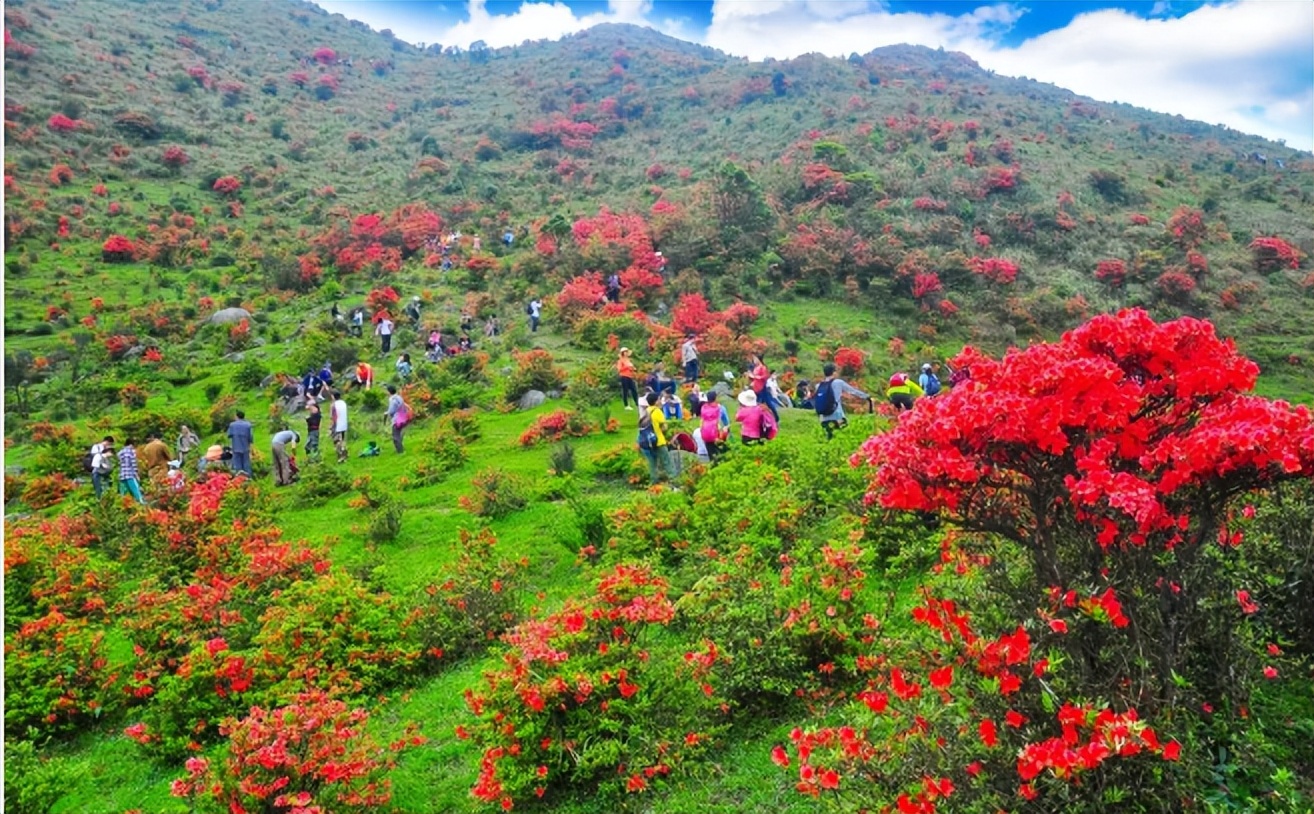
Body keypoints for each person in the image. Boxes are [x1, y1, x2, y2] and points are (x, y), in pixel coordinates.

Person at [815, 363, 874, 440]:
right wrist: (866, 396)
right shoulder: (838, 382)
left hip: (823, 418)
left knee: (829, 438)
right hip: (837, 417)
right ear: (834, 372)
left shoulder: (818, 386)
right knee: (844, 437)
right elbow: (852, 391)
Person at [636, 394, 676, 484]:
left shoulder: (646, 411)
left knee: (652, 464)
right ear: (656, 401)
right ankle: (673, 480)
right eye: (659, 399)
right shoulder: (657, 411)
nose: (660, 401)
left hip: (648, 442)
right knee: (666, 461)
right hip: (659, 441)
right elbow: (664, 427)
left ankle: (654, 482)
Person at [747, 355, 781, 423]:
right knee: (756, 403)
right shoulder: (756, 368)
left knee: (768, 403)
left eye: (755, 358)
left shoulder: (763, 367)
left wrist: (755, 377)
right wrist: (750, 376)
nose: (754, 360)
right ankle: (757, 418)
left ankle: (776, 417)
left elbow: (765, 377)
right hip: (756, 387)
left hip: (762, 388)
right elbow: (754, 378)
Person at [699, 391, 730, 461]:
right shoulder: (720, 408)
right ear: (715, 398)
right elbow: (724, 422)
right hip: (716, 433)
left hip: (705, 432)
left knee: (711, 452)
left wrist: (701, 431)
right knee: (720, 451)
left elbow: (702, 420)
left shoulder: (703, 407)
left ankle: (712, 464)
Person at [117, 438, 145, 503]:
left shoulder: (120, 452)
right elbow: (133, 464)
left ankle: (122, 505)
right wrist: (136, 474)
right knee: (136, 490)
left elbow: (120, 462)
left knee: (123, 493)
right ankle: (141, 504)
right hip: (130, 474)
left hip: (122, 475)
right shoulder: (131, 452)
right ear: (131, 444)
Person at [227, 410, 254, 476]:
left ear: (237, 416)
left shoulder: (232, 425)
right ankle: (248, 477)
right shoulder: (248, 425)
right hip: (245, 447)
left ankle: (239, 479)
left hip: (236, 447)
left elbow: (229, 435)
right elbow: (250, 437)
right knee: (246, 463)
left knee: (237, 464)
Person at [385, 384, 410, 454]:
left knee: (395, 436)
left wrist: (387, 413)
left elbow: (392, 410)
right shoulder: (399, 397)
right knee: (399, 434)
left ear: (389, 392)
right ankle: (401, 448)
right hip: (403, 417)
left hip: (397, 420)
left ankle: (400, 451)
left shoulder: (392, 399)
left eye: (387, 391)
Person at [330, 391, 349, 463]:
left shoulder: (333, 405)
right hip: (344, 424)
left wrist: (331, 426)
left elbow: (333, 417)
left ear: (333, 397)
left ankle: (340, 455)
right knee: (343, 439)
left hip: (337, 424)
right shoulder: (343, 403)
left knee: (336, 440)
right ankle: (344, 450)